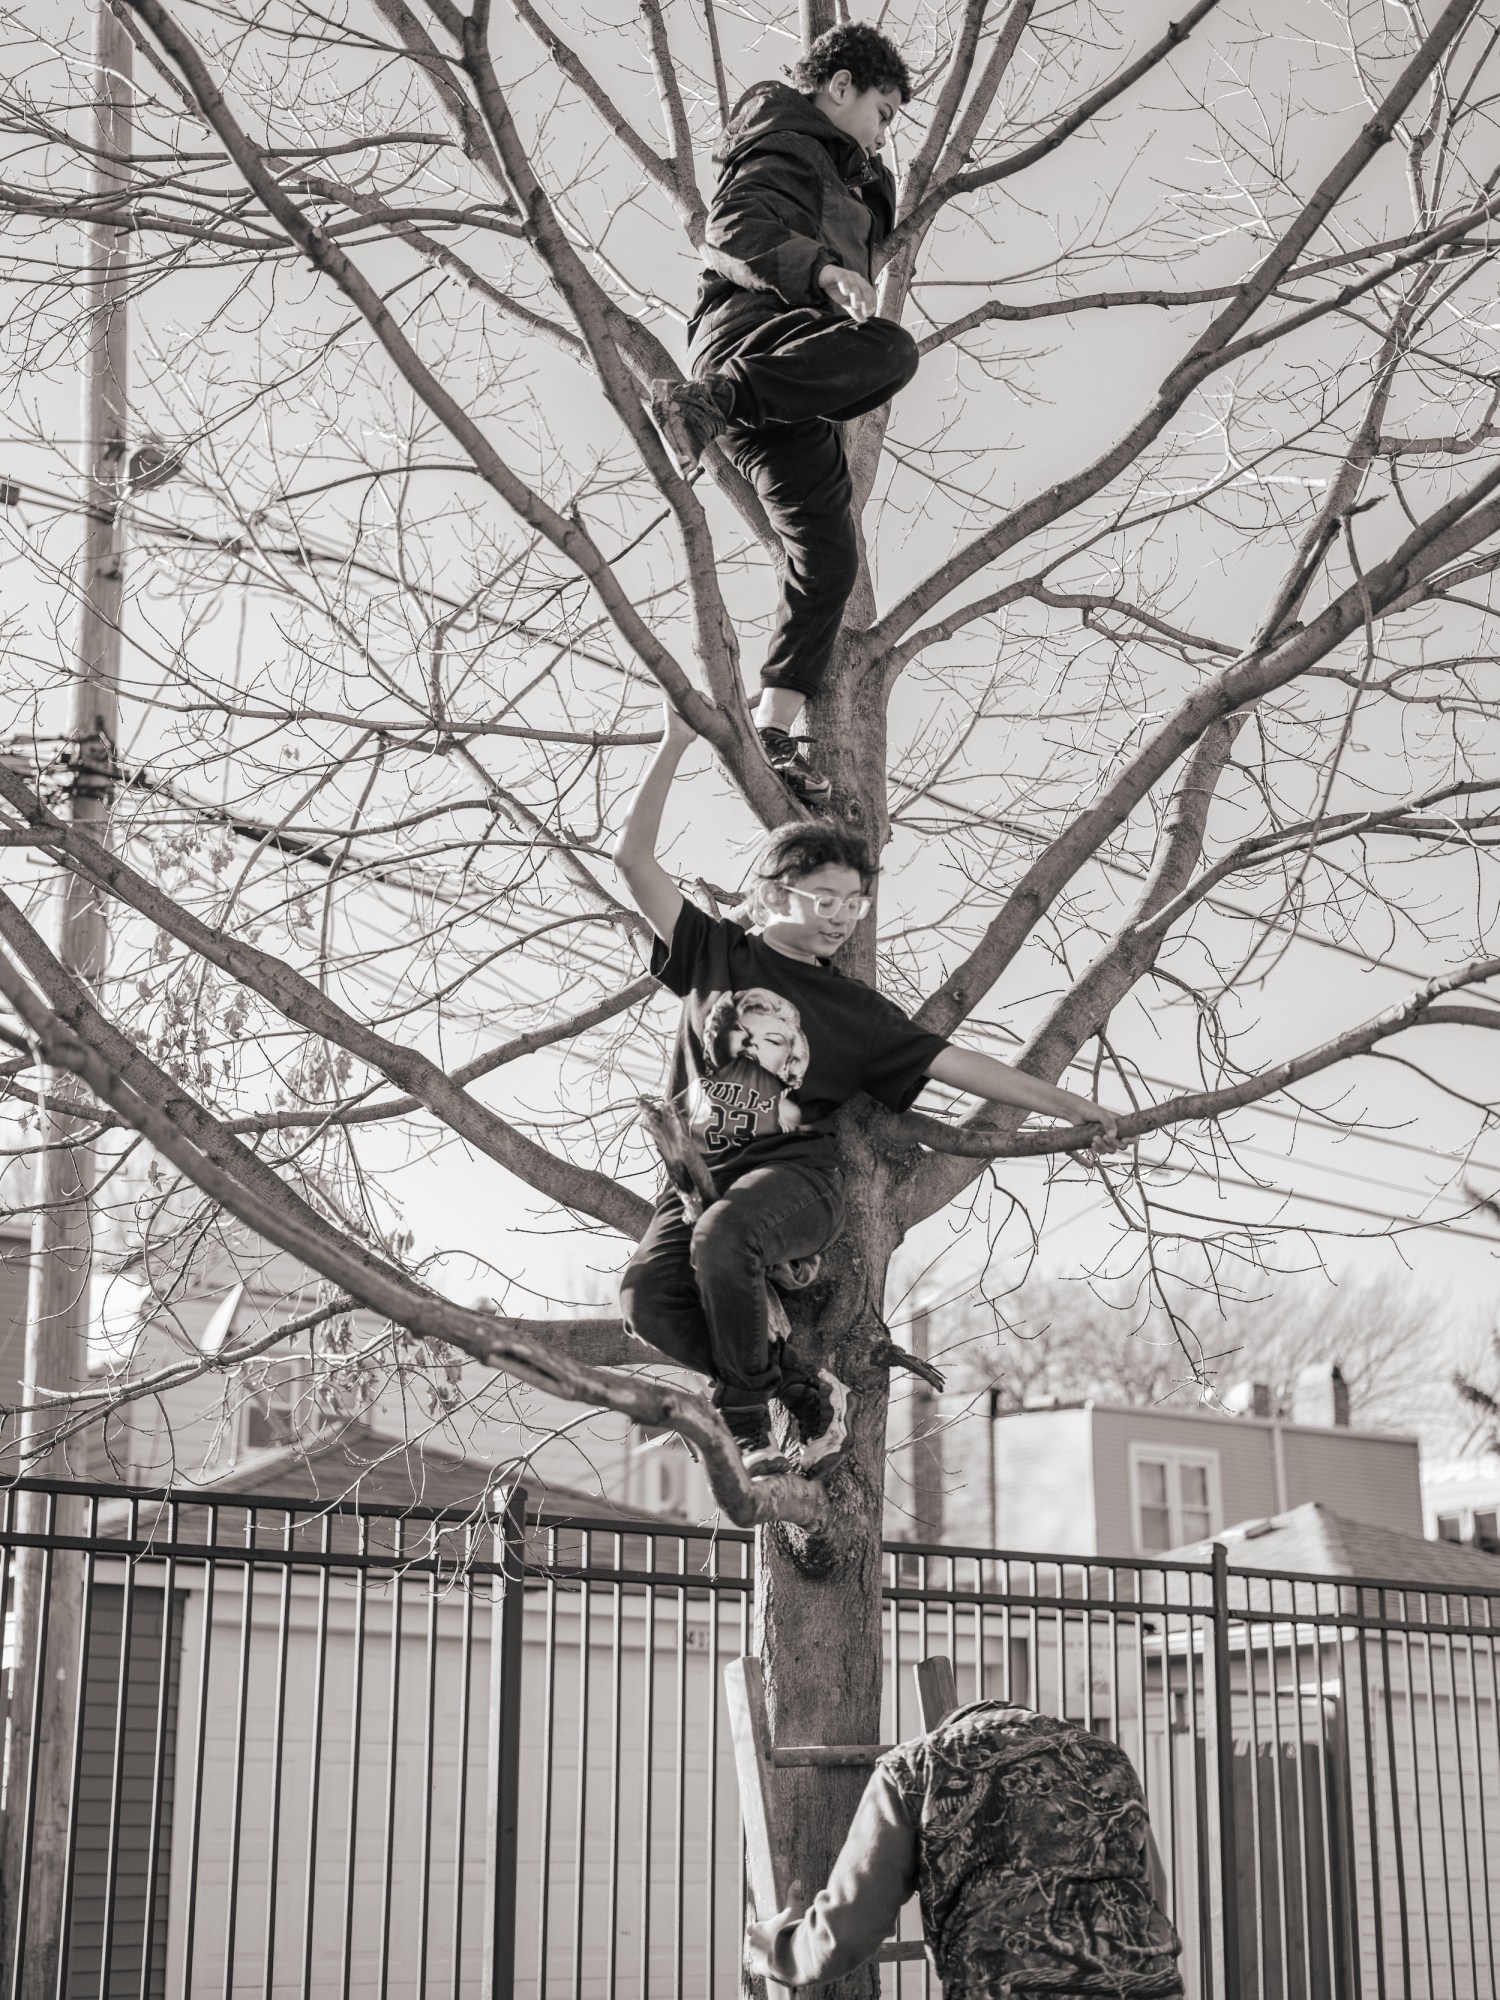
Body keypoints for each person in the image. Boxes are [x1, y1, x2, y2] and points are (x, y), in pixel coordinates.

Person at [613, 700, 1121, 1479]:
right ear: (773, 891)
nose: (843, 920)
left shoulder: (852, 1010)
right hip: (694, 1185)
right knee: (646, 1298)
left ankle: (745, 1421)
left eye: (857, 904)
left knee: (727, 1237)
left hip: (793, 1186)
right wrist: (674, 744)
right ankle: (800, 1385)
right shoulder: (714, 952)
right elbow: (633, 862)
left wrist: (1071, 1109)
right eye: (827, 902)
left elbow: (959, 1065)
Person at [650, 22, 921, 806]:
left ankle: (770, 733)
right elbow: (731, 232)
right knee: (891, 354)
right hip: (752, 337)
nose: (884, 132)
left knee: (829, 557)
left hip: (788, 386)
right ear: (840, 88)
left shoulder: (844, 170)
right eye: (883, 110)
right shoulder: (786, 143)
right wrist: (828, 271)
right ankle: (705, 407)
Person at [745, 1699, 1185, 1996]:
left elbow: (843, 1933)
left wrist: (775, 1950)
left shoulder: (914, 1769)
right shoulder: (1108, 1759)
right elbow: (1153, 1895)